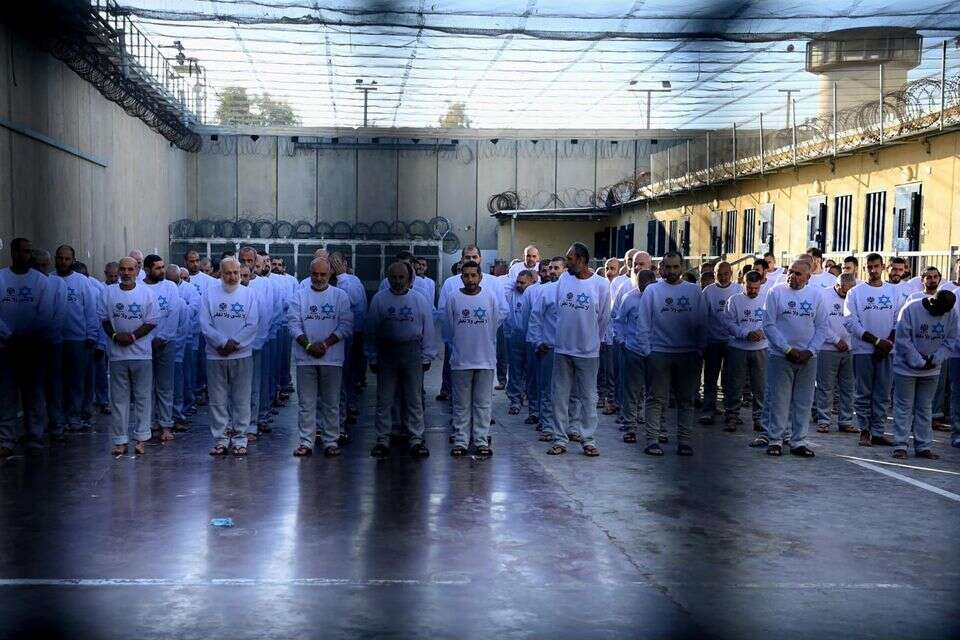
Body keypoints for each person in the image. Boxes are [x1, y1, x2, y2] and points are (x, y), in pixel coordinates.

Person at [365, 261, 437, 459]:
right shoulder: (379, 299)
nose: (397, 281)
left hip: (412, 351)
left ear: (409, 279)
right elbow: (371, 329)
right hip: (386, 352)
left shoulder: (419, 299)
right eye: (394, 278)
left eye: (401, 277)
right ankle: (383, 439)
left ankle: (416, 439)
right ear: (388, 278)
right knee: (385, 398)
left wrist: (427, 355)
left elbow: (428, 328)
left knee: (414, 398)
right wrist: (372, 355)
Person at [544, 243, 610, 457]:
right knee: (559, 397)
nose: (566, 263)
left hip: (588, 352)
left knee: (588, 398)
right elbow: (559, 309)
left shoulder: (600, 284)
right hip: (563, 349)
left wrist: (593, 341)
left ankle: (588, 440)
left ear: (581, 260)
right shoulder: (564, 279)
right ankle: (559, 439)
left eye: (570, 259)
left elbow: (603, 318)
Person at [636, 251, 705, 456]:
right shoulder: (652, 291)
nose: (672, 271)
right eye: (668, 267)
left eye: (676, 266)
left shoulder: (694, 291)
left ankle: (684, 442)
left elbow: (703, 322)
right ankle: (652, 441)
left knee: (686, 400)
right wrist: (647, 352)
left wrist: (699, 350)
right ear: (662, 268)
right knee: (655, 399)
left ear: (682, 267)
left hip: (687, 354)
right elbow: (643, 323)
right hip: (659, 353)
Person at [288, 257, 353, 457]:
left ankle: (330, 441)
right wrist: (308, 345)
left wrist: (325, 344)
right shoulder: (299, 296)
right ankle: (306, 442)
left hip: (332, 358)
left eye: (323, 274)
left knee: (331, 402)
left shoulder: (340, 296)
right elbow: (293, 325)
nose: (318, 278)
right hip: (305, 358)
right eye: (314, 274)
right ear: (309, 274)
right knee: (306, 403)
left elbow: (346, 325)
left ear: (330, 273)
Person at [199, 257, 259, 457]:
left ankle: (240, 439)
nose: (233, 277)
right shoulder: (209, 294)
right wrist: (222, 343)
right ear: (220, 273)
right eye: (228, 273)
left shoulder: (249, 294)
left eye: (236, 273)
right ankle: (221, 440)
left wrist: (234, 344)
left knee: (241, 399)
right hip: (215, 355)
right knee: (217, 400)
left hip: (241, 355)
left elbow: (252, 324)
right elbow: (205, 324)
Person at [99, 257, 158, 456]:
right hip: (117, 355)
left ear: (137, 271)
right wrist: (115, 336)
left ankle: (141, 439)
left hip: (142, 355)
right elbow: (104, 319)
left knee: (142, 397)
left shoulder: (147, 293)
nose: (126, 273)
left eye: (130, 269)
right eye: (123, 269)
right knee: (118, 400)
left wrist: (132, 336)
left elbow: (151, 321)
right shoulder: (108, 293)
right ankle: (120, 441)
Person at [442, 260, 502, 456]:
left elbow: (493, 326)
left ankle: (481, 441)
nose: (470, 279)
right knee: (461, 405)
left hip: (485, 359)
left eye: (474, 275)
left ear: (480, 277)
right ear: (461, 277)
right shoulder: (453, 298)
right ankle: (460, 441)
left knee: (483, 404)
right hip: (461, 361)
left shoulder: (490, 297)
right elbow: (448, 329)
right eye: (466, 276)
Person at [0, 238, 52, 457]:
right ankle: (6, 439)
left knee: (34, 393)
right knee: (6, 394)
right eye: (22, 251)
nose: (26, 255)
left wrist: (29, 336)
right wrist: (8, 334)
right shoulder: (1, 278)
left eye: (29, 252)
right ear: (13, 253)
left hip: (33, 347)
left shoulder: (41, 281)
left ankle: (35, 436)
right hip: (6, 347)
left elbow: (46, 313)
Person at [891, 290, 957, 460]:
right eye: (938, 311)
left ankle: (923, 446)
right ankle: (900, 445)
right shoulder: (911, 309)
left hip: (932, 369)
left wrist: (935, 359)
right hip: (906, 368)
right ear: (932, 302)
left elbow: (950, 340)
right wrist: (919, 361)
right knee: (904, 407)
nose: (941, 315)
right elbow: (903, 339)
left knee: (925, 407)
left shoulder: (951, 313)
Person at [843, 253, 900, 447]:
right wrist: (875, 341)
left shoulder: (893, 291)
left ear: (883, 267)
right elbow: (850, 322)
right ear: (864, 268)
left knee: (883, 393)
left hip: (887, 351)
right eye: (870, 267)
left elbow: (898, 320)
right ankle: (864, 430)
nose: (873, 270)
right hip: (863, 350)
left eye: (876, 266)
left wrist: (888, 343)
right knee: (863, 392)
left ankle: (878, 431)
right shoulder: (855, 293)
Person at [52, 245, 99, 435]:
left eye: (67, 258)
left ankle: (75, 417)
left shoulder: (82, 282)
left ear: (73, 260)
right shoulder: (49, 280)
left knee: (77, 382)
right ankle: (58, 419)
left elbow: (91, 310)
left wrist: (92, 334)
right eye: (60, 258)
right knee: (56, 382)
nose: (63, 262)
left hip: (78, 339)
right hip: (54, 340)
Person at [141, 255, 183, 443]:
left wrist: (163, 337)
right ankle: (148, 425)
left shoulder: (170, 287)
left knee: (165, 386)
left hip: (165, 344)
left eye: (162, 267)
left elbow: (174, 314)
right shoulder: (139, 287)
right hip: (142, 345)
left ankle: (166, 424)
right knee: (145, 387)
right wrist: (145, 340)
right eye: (157, 268)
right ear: (147, 269)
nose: (162, 271)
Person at [615, 269, 656, 443]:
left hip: (655, 351)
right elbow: (619, 320)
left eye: (647, 286)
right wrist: (621, 340)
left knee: (655, 393)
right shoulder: (629, 298)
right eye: (641, 287)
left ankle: (656, 428)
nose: (644, 290)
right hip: (633, 350)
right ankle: (630, 427)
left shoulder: (659, 296)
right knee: (632, 391)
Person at [527, 257, 566, 442]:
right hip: (549, 348)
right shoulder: (545, 291)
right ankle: (548, 426)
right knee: (547, 390)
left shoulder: (574, 290)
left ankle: (569, 427)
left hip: (570, 349)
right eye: (550, 268)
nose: (552, 271)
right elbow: (535, 318)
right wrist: (537, 342)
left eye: (556, 268)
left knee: (569, 391)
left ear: (565, 270)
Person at [699, 262, 742, 424]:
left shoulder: (738, 289)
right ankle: (708, 409)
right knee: (710, 378)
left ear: (731, 273)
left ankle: (731, 412)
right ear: (714, 274)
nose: (723, 277)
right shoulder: (708, 291)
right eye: (719, 274)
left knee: (732, 379)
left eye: (725, 274)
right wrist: (703, 340)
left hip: (733, 341)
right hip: (713, 340)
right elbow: (702, 317)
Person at [814, 273, 857, 434]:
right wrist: (835, 340)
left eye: (850, 291)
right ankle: (823, 420)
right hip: (828, 349)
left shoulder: (854, 295)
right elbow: (819, 322)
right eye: (844, 291)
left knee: (848, 387)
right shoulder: (823, 296)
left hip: (851, 349)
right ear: (837, 285)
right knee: (825, 387)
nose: (847, 295)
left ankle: (846, 421)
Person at [32, 249, 67, 439]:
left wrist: (46, 336)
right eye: (36, 265)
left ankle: (56, 424)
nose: (40, 269)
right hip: (29, 344)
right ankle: (35, 429)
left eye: (43, 265)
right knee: (33, 388)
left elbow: (59, 314)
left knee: (53, 385)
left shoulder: (57, 283)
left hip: (51, 343)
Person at [504, 270, 536, 415]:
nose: (518, 285)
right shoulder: (512, 293)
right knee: (515, 370)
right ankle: (515, 401)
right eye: (517, 281)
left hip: (531, 337)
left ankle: (530, 398)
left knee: (531, 371)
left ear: (531, 283)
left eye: (522, 283)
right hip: (516, 336)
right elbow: (505, 283)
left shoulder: (535, 294)